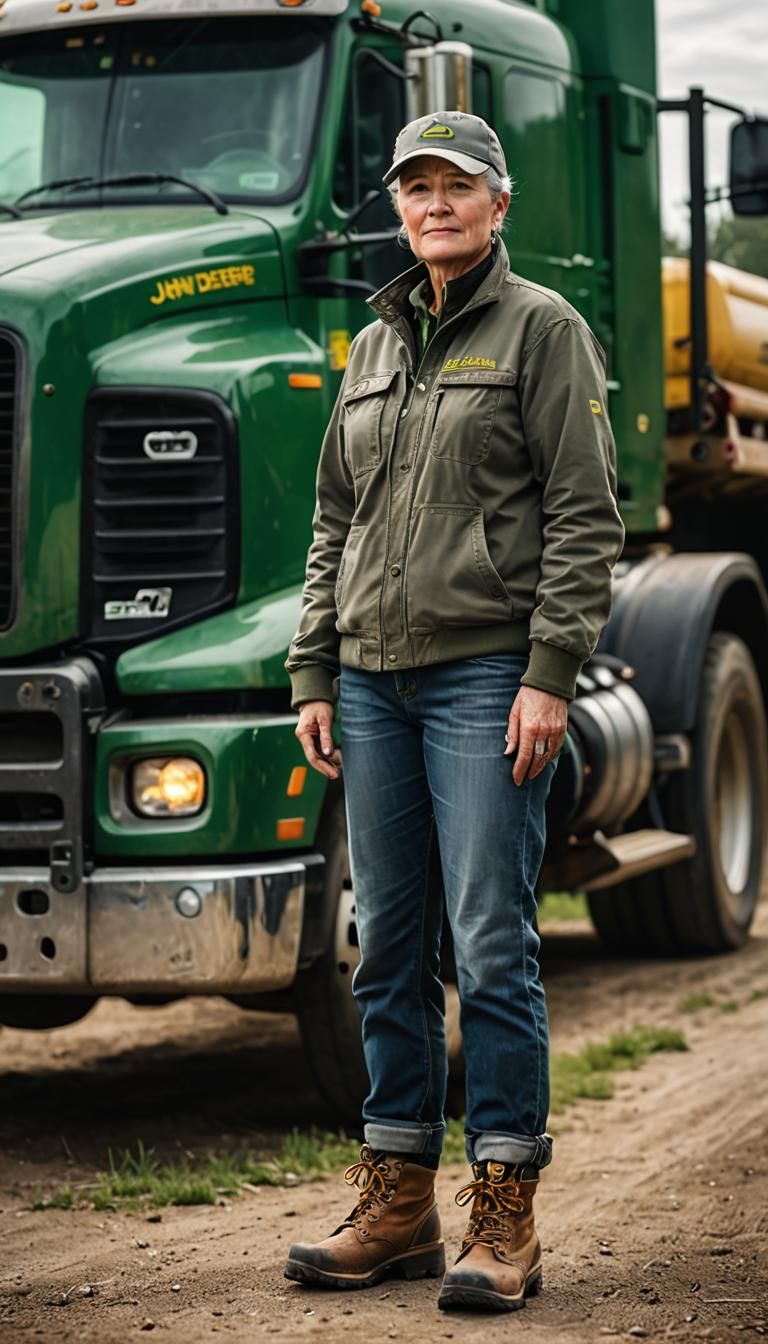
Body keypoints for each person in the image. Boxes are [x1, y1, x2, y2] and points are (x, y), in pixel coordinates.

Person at [283, 110, 624, 1313]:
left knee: (489, 947)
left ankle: (506, 1211)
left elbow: (588, 520)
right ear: (399, 206)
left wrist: (548, 673)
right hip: (371, 680)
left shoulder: (545, 331)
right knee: (386, 952)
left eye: (457, 187)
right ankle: (397, 1198)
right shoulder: (370, 347)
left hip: (487, 674)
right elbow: (336, 522)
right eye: (415, 187)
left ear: (499, 204)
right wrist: (313, 669)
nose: (434, 205)